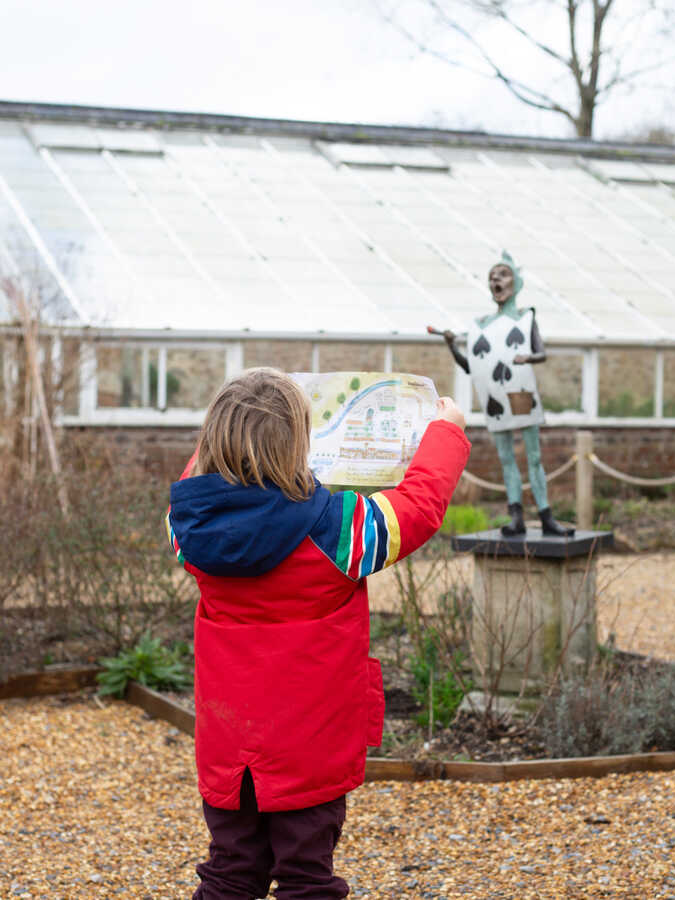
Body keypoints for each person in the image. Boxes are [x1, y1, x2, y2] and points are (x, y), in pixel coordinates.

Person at [166, 367, 470, 900]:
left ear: (210, 438)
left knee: (230, 871)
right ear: (299, 443)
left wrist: (226, 428)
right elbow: (417, 508)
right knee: (307, 878)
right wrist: (445, 431)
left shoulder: (189, 529)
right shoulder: (338, 530)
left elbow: (197, 477)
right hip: (310, 754)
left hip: (230, 754)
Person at [440, 251, 573, 538]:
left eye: (503, 273)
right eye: (492, 275)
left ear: (517, 283)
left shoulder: (526, 318)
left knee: (533, 457)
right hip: (495, 399)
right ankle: (516, 517)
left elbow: (541, 352)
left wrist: (529, 359)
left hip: (520, 392)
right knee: (506, 459)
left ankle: (546, 515)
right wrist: (452, 346)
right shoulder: (480, 326)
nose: (495, 279)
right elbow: (471, 367)